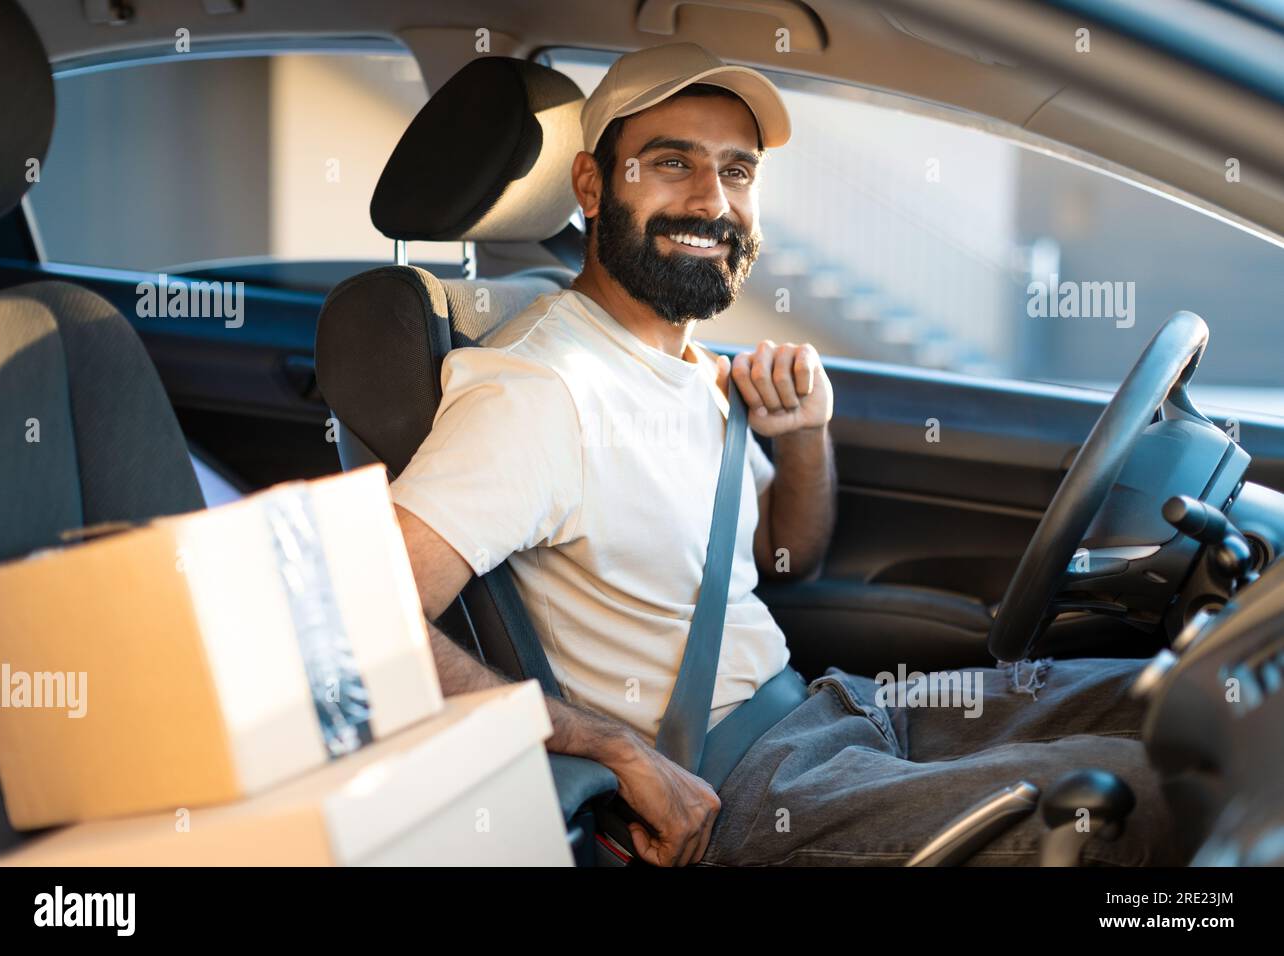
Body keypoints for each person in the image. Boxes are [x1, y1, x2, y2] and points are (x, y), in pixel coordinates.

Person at [388, 42, 1181, 867]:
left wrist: (804, 439)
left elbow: (784, 556)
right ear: (591, 185)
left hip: (838, 708)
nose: (712, 200)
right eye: (672, 163)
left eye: (738, 171)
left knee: (1182, 706)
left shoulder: (689, 368)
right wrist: (612, 752)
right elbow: (366, 622)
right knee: (1148, 801)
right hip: (748, 791)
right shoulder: (541, 388)